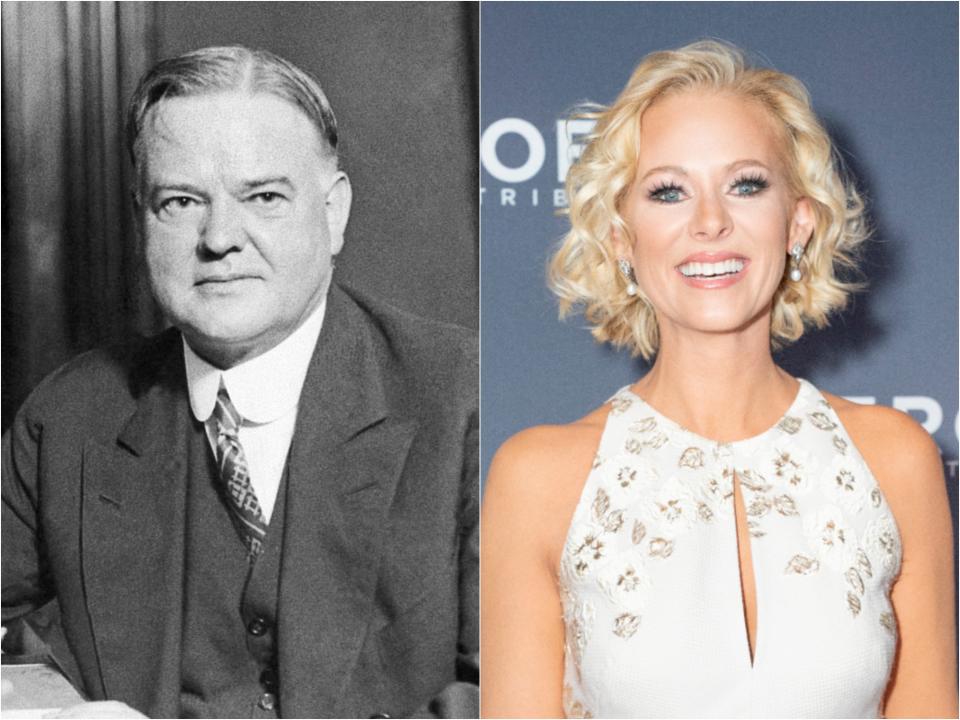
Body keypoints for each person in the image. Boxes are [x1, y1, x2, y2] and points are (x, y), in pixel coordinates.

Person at [481, 40, 956, 718]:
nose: (709, 223)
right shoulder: (538, 475)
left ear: (798, 223)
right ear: (622, 240)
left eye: (746, 185)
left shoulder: (896, 458)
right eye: (669, 191)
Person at [2, 46, 478, 719]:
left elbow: (523, 688)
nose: (220, 237)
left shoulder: (466, 401)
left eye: (263, 197)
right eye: (181, 201)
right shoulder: (68, 417)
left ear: (334, 212)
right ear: (142, 214)